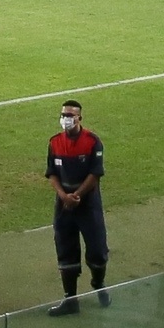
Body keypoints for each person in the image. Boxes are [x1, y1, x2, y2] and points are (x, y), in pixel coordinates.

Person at [44, 100, 107, 315]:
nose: (66, 118)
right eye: (63, 114)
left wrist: (77, 195)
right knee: (65, 250)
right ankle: (71, 300)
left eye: (70, 115)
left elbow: (95, 174)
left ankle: (98, 283)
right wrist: (64, 196)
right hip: (64, 205)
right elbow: (52, 172)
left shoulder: (92, 142)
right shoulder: (54, 142)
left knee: (97, 250)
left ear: (80, 118)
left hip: (88, 204)